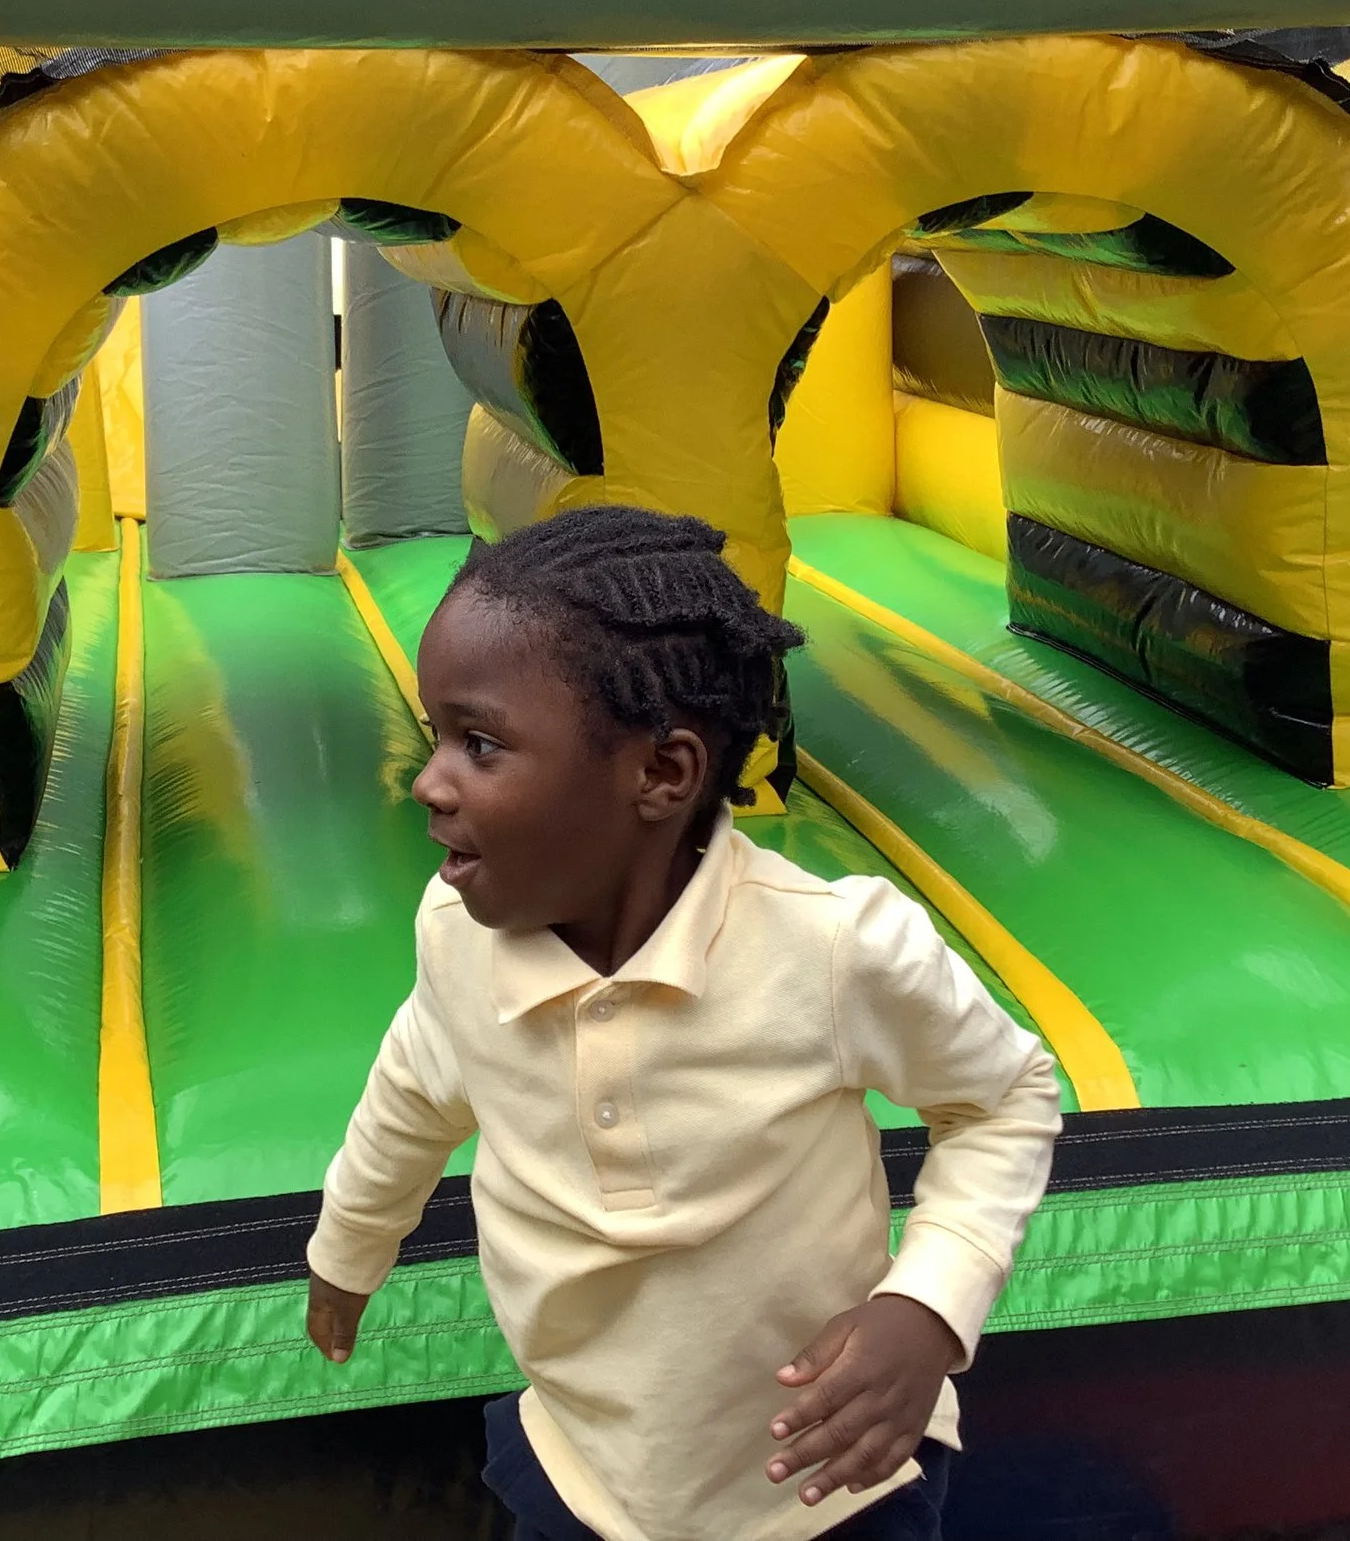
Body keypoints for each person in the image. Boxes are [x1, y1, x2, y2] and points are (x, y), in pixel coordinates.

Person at [304, 506, 1062, 1541]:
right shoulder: (455, 933)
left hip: (824, 1485)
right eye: (436, 736)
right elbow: (415, 1083)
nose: (428, 781)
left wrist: (926, 1308)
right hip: (583, 1467)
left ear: (661, 774)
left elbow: (1003, 1098)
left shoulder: (829, 949)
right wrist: (349, 1244)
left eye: (478, 744)